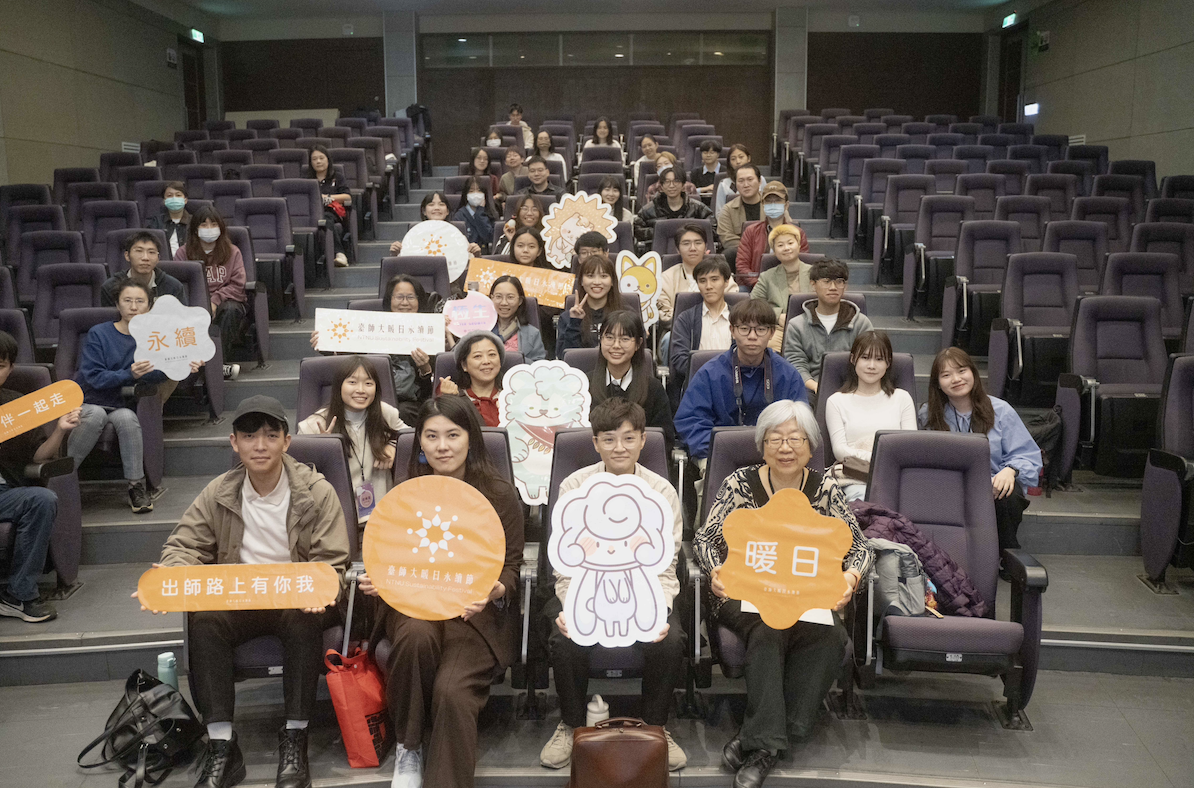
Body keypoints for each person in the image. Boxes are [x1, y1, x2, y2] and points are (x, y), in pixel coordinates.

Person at [140, 395, 349, 788]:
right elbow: (183, 546)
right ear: (234, 443)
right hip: (241, 597)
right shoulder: (219, 491)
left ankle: (295, 737)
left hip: (295, 598)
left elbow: (333, 562)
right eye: (249, 436)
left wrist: (318, 591)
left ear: (287, 441)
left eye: (271, 435)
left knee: (302, 619)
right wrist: (172, 576)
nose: (260, 445)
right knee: (205, 621)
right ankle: (222, 746)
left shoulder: (316, 491)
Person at [696, 399, 873, 788]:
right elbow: (705, 539)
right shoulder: (739, 483)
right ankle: (766, 746)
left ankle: (758, 739)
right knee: (770, 626)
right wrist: (713, 570)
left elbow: (860, 548)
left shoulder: (824, 488)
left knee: (831, 636)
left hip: (805, 597)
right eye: (775, 439)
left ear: (811, 446)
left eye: (796, 439)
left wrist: (850, 578)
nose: (785, 447)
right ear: (762, 445)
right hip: (742, 594)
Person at [362, 395, 524, 788]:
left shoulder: (499, 493)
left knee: (452, 692)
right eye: (431, 436)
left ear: (471, 439)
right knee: (415, 637)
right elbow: (388, 554)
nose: (442, 446)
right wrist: (378, 580)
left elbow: (513, 566)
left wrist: (498, 588)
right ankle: (409, 747)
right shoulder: (407, 493)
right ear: (419, 442)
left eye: (453, 435)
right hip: (415, 604)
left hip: (473, 615)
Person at [539, 398, 686, 771]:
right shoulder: (575, 486)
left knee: (670, 639)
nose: (619, 447)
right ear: (595, 443)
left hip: (644, 593)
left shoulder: (662, 492)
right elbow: (565, 563)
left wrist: (659, 610)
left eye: (628, 438)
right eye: (609, 439)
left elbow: (666, 565)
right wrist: (572, 608)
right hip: (583, 591)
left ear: (642, 441)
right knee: (564, 637)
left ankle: (656, 727)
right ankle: (571, 725)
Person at [69, 281, 198, 512]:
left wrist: (182, 364)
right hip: (89, 400)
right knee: (96, 414)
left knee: (128, 419)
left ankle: (136, 487)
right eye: (127, 301)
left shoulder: (152, 338)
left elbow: (157, 373)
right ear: (118, 304)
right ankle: (63, 479)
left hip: (119, 404)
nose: (133, 306)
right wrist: (129, 374)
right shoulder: (99, 333)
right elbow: (94, 377)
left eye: (140, 301)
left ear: (149, 306)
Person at [920, 347, 1042, 555]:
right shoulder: (928, 414)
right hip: (948, 485)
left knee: (1008, 492)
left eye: (961, 371)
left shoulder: (1001, 410)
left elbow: (1027, 455)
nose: (956, 379)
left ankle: (1005, 556)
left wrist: (1010, 470)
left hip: (992, 484)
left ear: (973, 373)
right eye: (946, 375)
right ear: (938, 383)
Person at [0, 330, 80, 623]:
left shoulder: (16, 406)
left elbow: (38, 456)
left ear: (10, 369)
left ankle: (19, 595)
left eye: (0, 366)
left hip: (4, 494)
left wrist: (60, 429)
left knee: (41, 499)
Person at [675, 300, 807, 462]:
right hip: (720, 455)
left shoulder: (789, 375)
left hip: (776, 454)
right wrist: (724, 448)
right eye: (744, 329)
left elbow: (801, 424)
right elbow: (691, 422)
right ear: (732, 330)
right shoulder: (709, 373)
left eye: (761, 329)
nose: (752, 336)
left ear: (772, 332)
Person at [310, 274, 438, 424]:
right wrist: (326, 344)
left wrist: (425, 368)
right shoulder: (373, 327)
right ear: (389, 300)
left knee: (400, 412)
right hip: (368, 395)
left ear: (419, 300)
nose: (404, 302)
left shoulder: (429, 331)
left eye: (410, 297)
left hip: (409, 404)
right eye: (399, 297)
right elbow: (350, 361)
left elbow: (429, 391)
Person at [297, 356, 404, 523]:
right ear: (339, 386)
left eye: (368, 383)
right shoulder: (313, 426)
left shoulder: (385, 414)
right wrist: (322, 451)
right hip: (336, 519)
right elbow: (299, 479)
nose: (361, 390)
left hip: (383, 516)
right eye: (352, 382)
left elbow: (416, 437)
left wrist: (393, 444)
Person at [824, 331, 917, 501]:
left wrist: (869, 455)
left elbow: (910, 448)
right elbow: (840, 451)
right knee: (864, 501)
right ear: (853, 359)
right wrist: (881, 457)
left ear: (888, 363)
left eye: (879, 359)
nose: (872, 365)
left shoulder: (902, 398)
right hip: (855, 478)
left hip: (895, 478)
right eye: (865, 358)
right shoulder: (836, 401)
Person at [782, 260, 874, 402]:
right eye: (826, 281)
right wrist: (817, 387)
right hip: (810, 389)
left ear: (845, 286)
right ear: (813, 284)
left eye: (839, 282)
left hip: (853, 389)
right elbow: (795, 363)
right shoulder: (797, 325)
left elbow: (869, 361)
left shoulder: (861, 323)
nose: (833, 287)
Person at [177, 205, 247, 381]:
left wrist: (215, 301)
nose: (209, 229)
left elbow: (238, 285)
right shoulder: (183, 253)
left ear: (220, 228)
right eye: (204, 225)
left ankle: (215, 364)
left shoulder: (232, 252)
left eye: (213, 224)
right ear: (195, 229)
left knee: (231, 310)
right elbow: (178, 284)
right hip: (192, 303)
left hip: (225, 302)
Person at [588, 311, 675, 449]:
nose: (616, 345)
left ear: (638, 343)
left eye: (625, 339)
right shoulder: (584, 385)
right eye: (609, 337)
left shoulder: (653, 389)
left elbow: (664, 441)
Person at [668, 256, 735, 400]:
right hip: (697, 386)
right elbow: (679, 359)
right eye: (702, 281)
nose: (708, 286)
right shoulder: (686, 318)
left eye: (714, 279)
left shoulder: (740, 318)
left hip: (733, 385)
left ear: (726, 281)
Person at [657, 223, 734, 326]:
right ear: (677, 249)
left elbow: (733, 305)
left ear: (706, 247)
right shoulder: (665, 278)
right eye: (686, 243)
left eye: (698, 243)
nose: (692, 248)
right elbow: (664, 313)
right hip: (679, 327)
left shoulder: (721, 274)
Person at [736, 181, 809, 289]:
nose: (773, 204)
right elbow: (742, 265)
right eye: (769, 201)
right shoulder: (750, 231)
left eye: (778, 200)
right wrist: (759, 284)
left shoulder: (797, 233)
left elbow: (802, 264)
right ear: (763, 204)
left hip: (789, 286)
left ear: (786, 205)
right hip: (755, 285)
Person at [556, 253, 622, 358]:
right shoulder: (567, 317)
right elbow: (565, 357)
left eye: (604, 276)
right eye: (590, 276)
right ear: (581, 281)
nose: (597, 282)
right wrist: (574, 323)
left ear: (612, 281)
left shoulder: (625, 314)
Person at [101, 231, 185, 309]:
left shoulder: (173, 287)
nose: (145, 258)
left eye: (151, 252)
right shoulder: (110, 287)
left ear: (158, 258)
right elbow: (111, 318)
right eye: (139, 251)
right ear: (127, 256)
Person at [437, 331, 505, 427]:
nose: (486, 361)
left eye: (492, 355)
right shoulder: (456, 396)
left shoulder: (513, 397)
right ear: (464, 365)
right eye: (478, 356)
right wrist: (449, 401)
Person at [749, 224, 812, 324]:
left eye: (790, 243)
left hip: (811, 325)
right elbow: (754, 304)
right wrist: (777, 316)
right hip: (778, 327)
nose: (786, 248)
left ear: (799, 246)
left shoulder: (815, 273)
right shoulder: (766, 277)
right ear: (774, 251)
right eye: (780, 245)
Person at [390, 192, 482, 256]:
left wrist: (476, 254)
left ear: (447, 211)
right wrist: (395, 253)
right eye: (431, 204)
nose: (437, 208)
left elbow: (468, 264)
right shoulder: (414, 234)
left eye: (441, 204)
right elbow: (405, 263)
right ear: (424, 211)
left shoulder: (457, 235)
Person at [304, 144, 350, 267]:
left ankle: (340, 254)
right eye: (314, 159)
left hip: (332, 212)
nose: (318, 161)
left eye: (321, 158)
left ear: (328, 160)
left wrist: (327, 198)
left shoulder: (337, 177)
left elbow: (347, 197)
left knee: (326, 218)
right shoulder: (306, 179)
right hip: (310, 214)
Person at [634, 165, 713, 235]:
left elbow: (713, 227)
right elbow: (637, 230)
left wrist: (692, 232)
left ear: (683, 185)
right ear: (661, 187)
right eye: (667, 182)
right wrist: (660, 232)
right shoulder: (648, 210)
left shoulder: (697, 207)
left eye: (676, 181)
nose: (671, 185)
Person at [489, 275, 546, 362]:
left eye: (510, 297)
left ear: (520, 301)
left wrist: (516, 360)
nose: (504, 303)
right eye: (498, 296)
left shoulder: (532, 333)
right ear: (491, 298)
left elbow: (538, 365)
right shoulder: (480, 330)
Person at [718, 164, 764, 270]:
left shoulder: (773, 205)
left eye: (750, 179)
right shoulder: (728, 209)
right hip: (741, 254)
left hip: (769, 251)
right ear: (736, 184)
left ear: (759, 181)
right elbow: (727, 239)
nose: (746, 185)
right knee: (729, 253)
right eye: (741, 181)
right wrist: (753, 249)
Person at [714, 144, 767, 217]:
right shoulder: (724, 184)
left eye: (741, 157)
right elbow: (719, 213)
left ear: (748, 158)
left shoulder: (760, 180)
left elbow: (766, 203)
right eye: (733, 159)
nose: (738, 161)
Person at [453, 176, 497, 255]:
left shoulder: (492, 213)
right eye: (471, 191)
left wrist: (480, 213)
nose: (476, 194)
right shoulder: (459, 216)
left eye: (479, 191)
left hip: (487, 256)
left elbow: (489, 238)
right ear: (466, 195)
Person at [145, 181, 190, 256]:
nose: (174, 198)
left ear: (185, 200)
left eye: (178, 195)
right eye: (169, 195)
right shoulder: (156, 221)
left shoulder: (195, 221)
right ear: (164, 201)